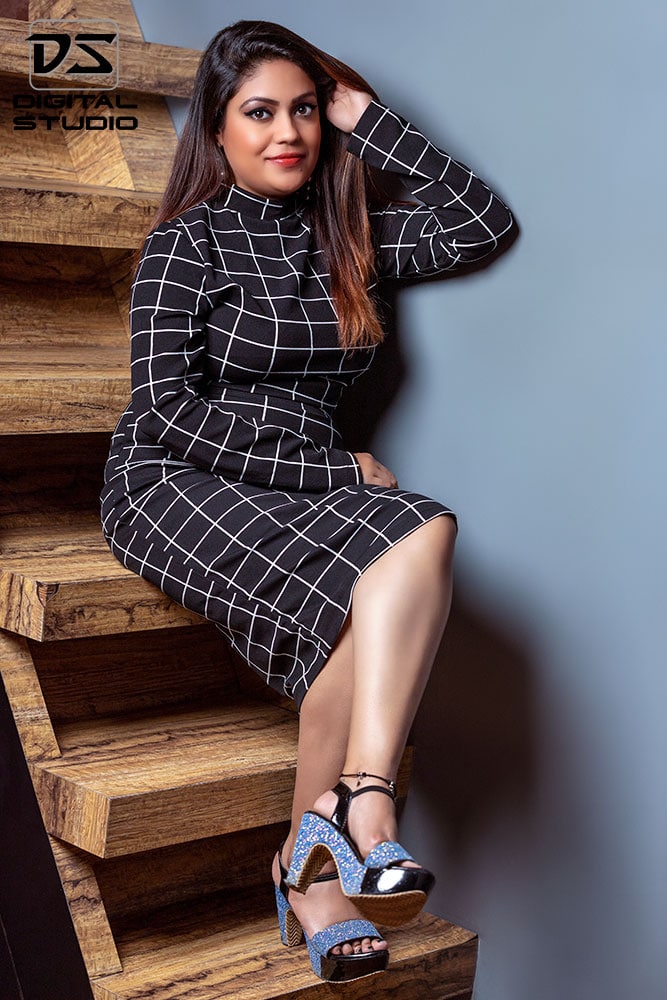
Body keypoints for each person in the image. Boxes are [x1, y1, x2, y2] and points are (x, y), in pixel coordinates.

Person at [101, 19, 514, 983]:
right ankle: (318, 867)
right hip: (177, 478)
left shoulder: (349, 242)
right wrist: (336, 474)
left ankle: (356, 807)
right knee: (361, 590)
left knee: (423, 530)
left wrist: (367, 116)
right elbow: (164, 412)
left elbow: (478, 218)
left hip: (300, 482)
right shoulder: (183, 244)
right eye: (259, 112)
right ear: (215, 126)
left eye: (302, 110)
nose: (285, 132)